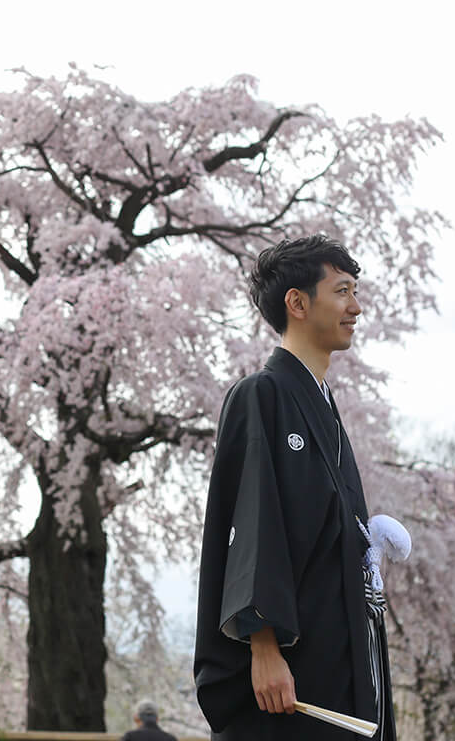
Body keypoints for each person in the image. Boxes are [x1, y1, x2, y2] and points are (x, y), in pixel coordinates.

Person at [193, 236, 396, 740]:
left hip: (339, 650)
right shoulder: (262, 394)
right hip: (291, 666)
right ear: (298, 303)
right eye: (343, 291)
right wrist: (263, 646)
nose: (356, 306)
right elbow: (254, 519)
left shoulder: (323, 403)